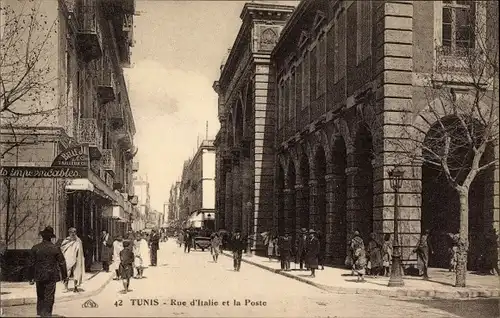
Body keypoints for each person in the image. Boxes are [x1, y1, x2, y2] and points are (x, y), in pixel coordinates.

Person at [28, 226, 68, 317]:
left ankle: (41, 313)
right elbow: (62, 263)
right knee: (49, 296)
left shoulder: (35, 248)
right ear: (51, 237)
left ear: (42, 236)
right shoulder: (55, 248)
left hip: (39, 275)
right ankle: (47, 314)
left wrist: (30, 277)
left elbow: (30, 264)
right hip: (51, 276)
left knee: (40, 294)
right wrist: (64, 277)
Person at [60, 227, 85, 293]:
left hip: (77, 258)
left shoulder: (78, 241)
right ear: (69, 233)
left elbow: (80, 251)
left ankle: (75, 287)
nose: (73, 233)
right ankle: (65, 287)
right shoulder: (66, 240)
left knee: (77, 273)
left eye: (74, 232)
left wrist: (79, 258)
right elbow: (62, 248)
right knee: (67, 273)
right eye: (71, 232)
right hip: (68, 259)